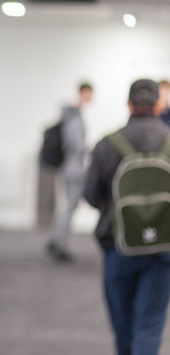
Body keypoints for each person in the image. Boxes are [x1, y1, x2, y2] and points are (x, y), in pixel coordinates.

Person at [84, 79, 170, 355]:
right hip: (162, 250)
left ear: (128, 104)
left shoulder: (107, 144)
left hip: (118, 247)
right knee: (149, 325)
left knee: (123, 327)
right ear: (159, 104)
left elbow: (90, 195)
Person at [46, 82, 93, 262]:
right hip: (73, 168)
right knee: (69, 206)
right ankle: (59, 244)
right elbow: (77, 144)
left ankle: (56, 240)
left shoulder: (70, 115)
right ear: (83, 92)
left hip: (68, 166)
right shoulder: (74, 116)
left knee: (67, 206)